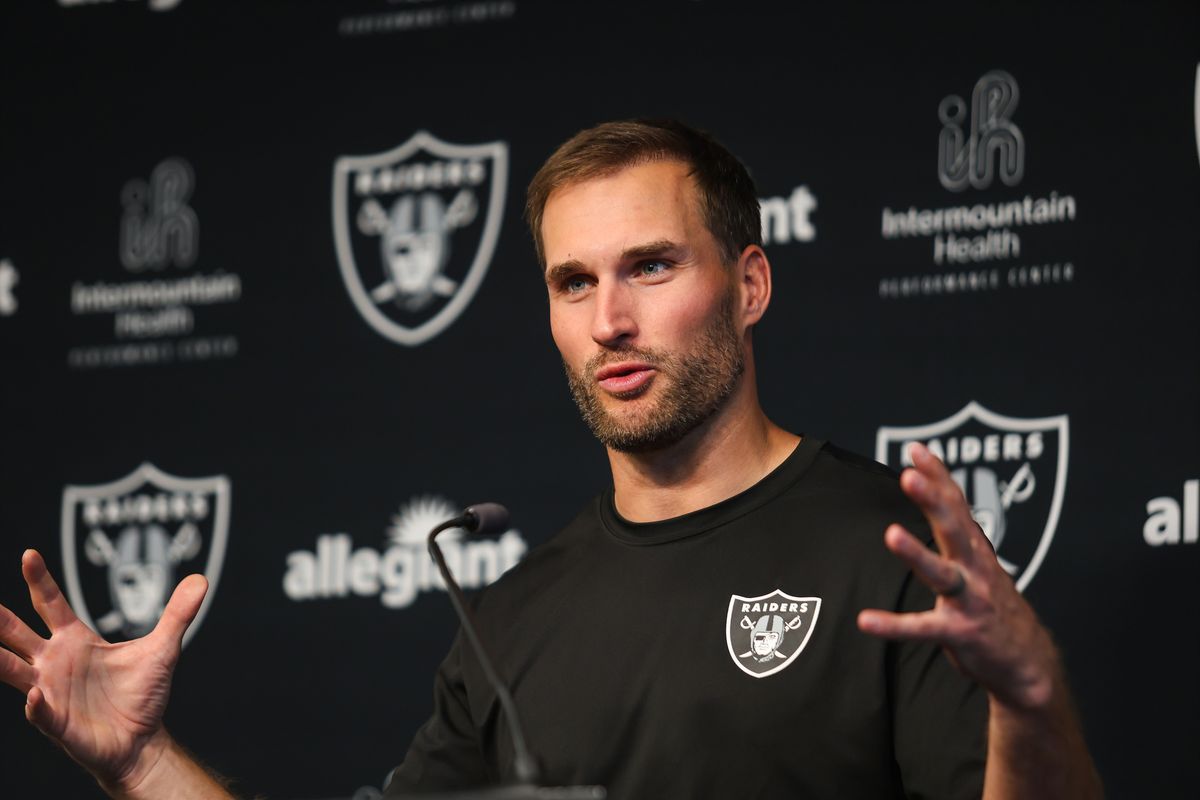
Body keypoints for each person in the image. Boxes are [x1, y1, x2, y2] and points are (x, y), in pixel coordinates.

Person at [0, 119, 1101, 799]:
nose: (610, 318)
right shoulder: (514, 615)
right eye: (574, 282)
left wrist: (1035, 700)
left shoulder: (892, 554)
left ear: (752, 284)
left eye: (652, 267)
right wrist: (140, 764)